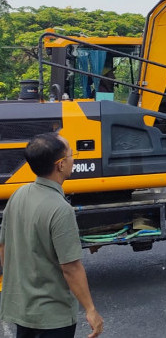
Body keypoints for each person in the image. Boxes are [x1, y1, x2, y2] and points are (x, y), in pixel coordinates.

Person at [0, 132, 104, 338]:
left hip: (24, 310)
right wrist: (91, 310)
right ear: (61, 165)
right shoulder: (60, 209)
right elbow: (71, 268)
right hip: (53, 318)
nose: (74, 160)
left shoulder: (18, 195)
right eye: (71, 155)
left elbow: (3, 246)